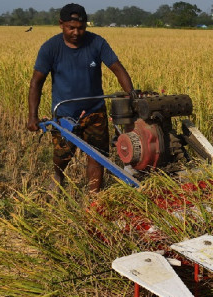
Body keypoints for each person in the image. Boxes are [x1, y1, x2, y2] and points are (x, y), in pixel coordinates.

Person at [27, 3, 135, 192]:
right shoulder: (50, 48)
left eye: (81, 28)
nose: (77, 32)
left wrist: (131, 94)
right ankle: (58, 175)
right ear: (61, 24)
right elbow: (36, 82)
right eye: (71, 28)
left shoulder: (97, 42)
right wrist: (32, 116)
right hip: (65, 114)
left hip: (95, 111)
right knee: (62, 155)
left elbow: (117, 68)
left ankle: (94, 198)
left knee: (97, 156)